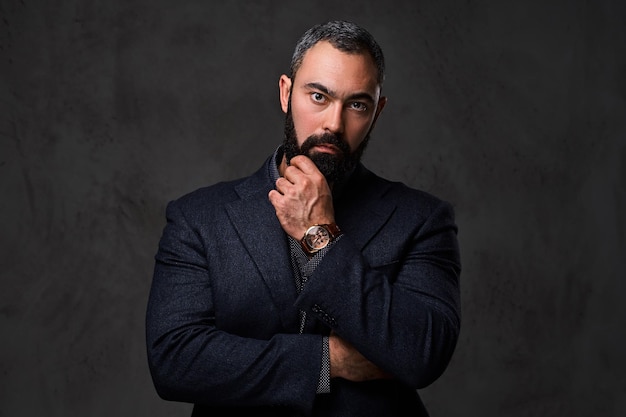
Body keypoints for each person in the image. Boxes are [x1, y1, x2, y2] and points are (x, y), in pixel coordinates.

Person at [146, 20, 461, 417]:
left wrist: (320, 234)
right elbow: (174, 361)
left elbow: (422, 352)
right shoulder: (199, 218)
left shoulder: (421, 219)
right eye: (318, 96)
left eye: (357, 105)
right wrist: (325, 362)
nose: (333, 123)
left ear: (377, 112)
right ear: (286, 92)